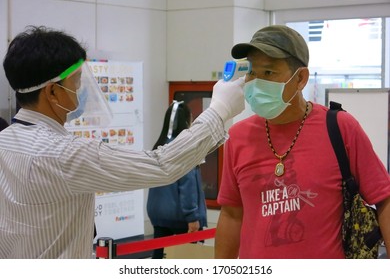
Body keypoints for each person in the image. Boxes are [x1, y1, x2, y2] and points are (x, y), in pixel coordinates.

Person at [0, 25, 244, 259]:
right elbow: (162, 165)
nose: (81, 88)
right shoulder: (64, 154)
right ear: (52, 92)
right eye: (76, 81)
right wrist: (219, 111)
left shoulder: (5, 142)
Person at [214, 25, 390, 259]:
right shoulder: (238, 137)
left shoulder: (340, 127)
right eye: (252, 73)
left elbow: (384, 199)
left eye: (268, 73)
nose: (255, 82)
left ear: (301, 79)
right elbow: (232, 215)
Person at [147, 101, 207, 259]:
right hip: (180, 217)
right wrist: (193, 217)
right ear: (186, 121)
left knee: (159, 256)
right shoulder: (183, 148)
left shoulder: (158, 147)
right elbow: (188, 186)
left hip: (158, 214)